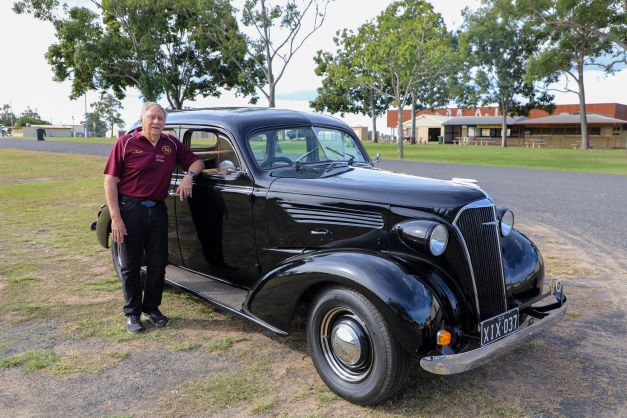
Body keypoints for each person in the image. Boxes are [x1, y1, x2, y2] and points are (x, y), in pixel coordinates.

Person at [103, 102, 204, 333]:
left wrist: (188, 175)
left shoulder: (170, 144)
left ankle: (152, 309)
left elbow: (197, 162)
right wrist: (116, 218)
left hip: (157, 210)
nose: (157, 122)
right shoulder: (126, 142)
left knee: (158, 263)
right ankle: (132, 314)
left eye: (161, 118)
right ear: (142, 119)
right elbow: (110, 180)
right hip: (130, 209)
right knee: (130, 265)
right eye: (152, 117)